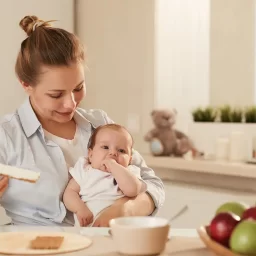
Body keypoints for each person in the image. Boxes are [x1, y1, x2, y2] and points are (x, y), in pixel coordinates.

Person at [0, 15, 165, 226]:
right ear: (26, 84)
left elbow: (153, 185)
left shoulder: (100, 123)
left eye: (78, 88)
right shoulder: (6, 137)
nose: (71, 104)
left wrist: (124, 210)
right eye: (56, 94)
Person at [63, 123, 147, 227]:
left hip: (120, 228)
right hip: (87, 227)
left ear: (130, 160)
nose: (113, 153)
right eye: (105, 147)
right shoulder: (85, 170)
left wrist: (113, 165)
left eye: (121, 150)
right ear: (91, 154)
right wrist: (80, 208)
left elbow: (133, 189)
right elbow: (70, 193)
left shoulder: (129, 172)